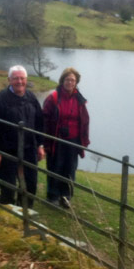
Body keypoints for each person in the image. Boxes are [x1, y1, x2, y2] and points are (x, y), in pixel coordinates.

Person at [0, 65, 45, 208]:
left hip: (29, 148)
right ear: (9, 80)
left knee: (30, 184)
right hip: (7, 150)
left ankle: (25, 213)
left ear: (26, 79)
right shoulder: (0, 99)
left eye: (22, 78)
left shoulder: (31, 97)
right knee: (8, 186)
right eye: (16, 78)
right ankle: (7, 214)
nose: (19, 81)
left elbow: (39, 123)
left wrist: (40, 145)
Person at [43, 68, 90, 208]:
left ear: (76, 83)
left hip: (73, 140)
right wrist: (45, 141)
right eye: (68, 79)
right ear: (62, 80)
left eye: (73, 80)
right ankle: (53, 196)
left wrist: (84, 141)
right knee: (55, 167)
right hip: (56, 140)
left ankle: (66, 196)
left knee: (70, 168)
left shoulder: (79, 99)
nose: (70, 82)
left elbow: (85, 121)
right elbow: (44, 119)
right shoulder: (53, 98)